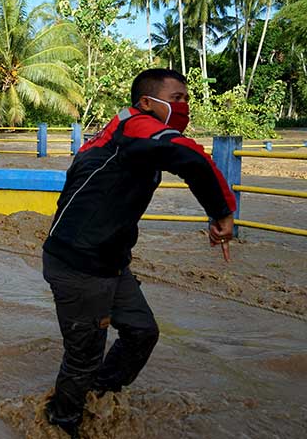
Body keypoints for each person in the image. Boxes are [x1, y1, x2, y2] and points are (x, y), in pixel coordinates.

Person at [41, 68, 236, 438]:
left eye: (186, 99)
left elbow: (181, 155)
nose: (185, 106)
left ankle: (98, 395)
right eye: (177, 98)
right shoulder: (135, 128)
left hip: (110, 262)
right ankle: (60, 423)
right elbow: (189, 156)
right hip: (80, 264)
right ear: (147, 102)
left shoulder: (127, 134)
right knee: (83, 356)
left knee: (142, 332)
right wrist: (222, 212)